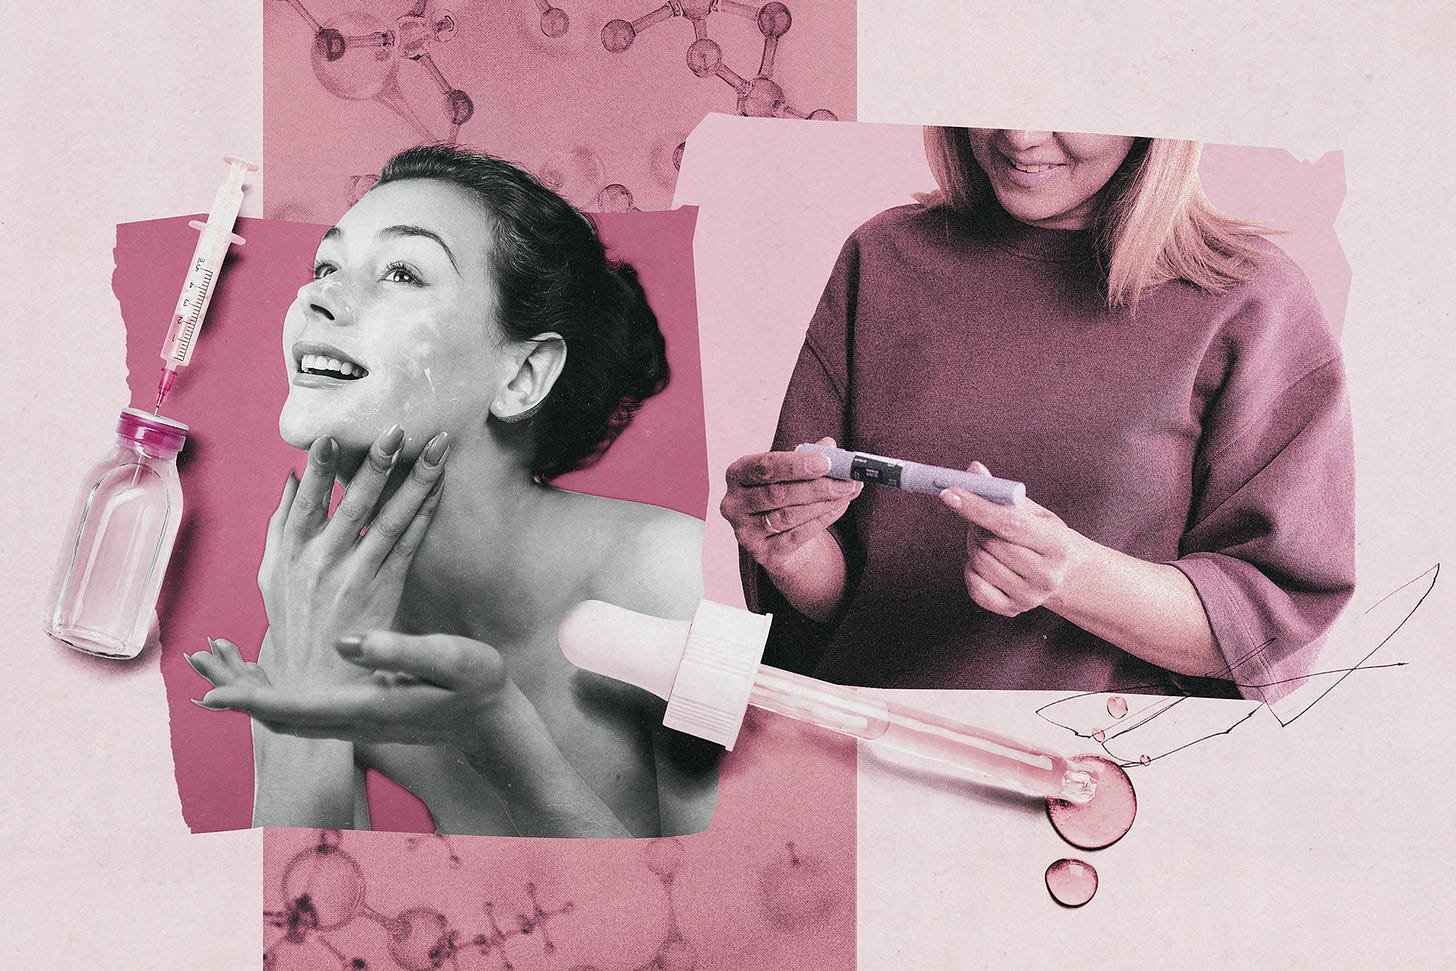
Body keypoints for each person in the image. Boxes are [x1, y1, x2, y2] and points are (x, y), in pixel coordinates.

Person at [188, 145, 715, 838]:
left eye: (403, 271)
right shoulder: (318, 618)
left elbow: (731, 928)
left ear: (523, 374)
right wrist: (300, 679)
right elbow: (302, 928)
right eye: (325, 265)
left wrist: (504, 735)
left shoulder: (679, 586)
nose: (316, 296)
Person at [721, 128, 1356, 702]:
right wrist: (791, 547)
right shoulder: (882, 256)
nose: (1020, 137)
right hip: (868, 755)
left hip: (1102, 781)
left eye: (1063, 109)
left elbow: (1274, 630)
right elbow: (851, 606)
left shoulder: (1251, 296)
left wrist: (1070, 576)